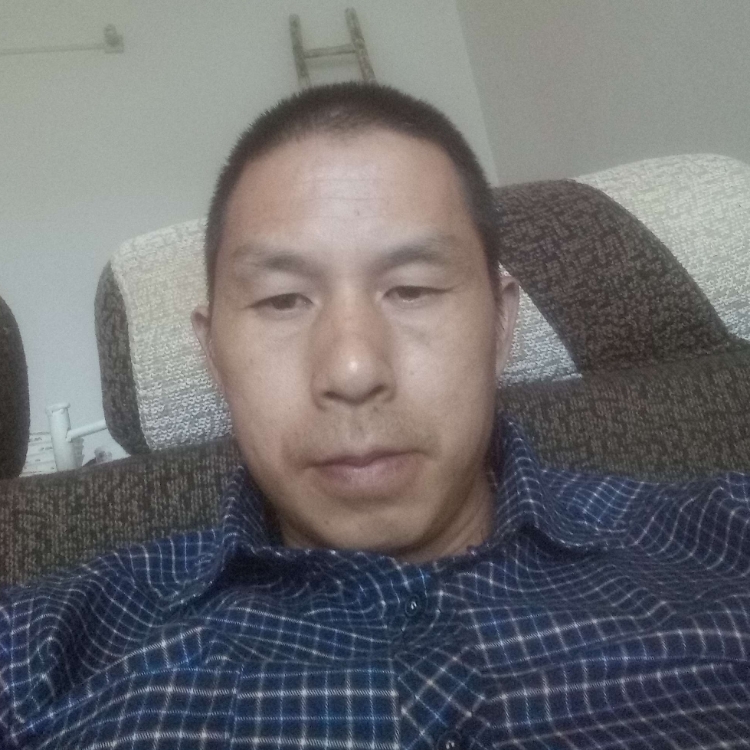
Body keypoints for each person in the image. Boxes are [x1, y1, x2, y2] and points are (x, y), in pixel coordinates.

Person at [1, 83, 749, 749]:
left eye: (412, 289)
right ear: (214, 355)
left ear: (501, 325)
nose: (353, 371)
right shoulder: (48, 646)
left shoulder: (723, 545)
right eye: (282, 300)